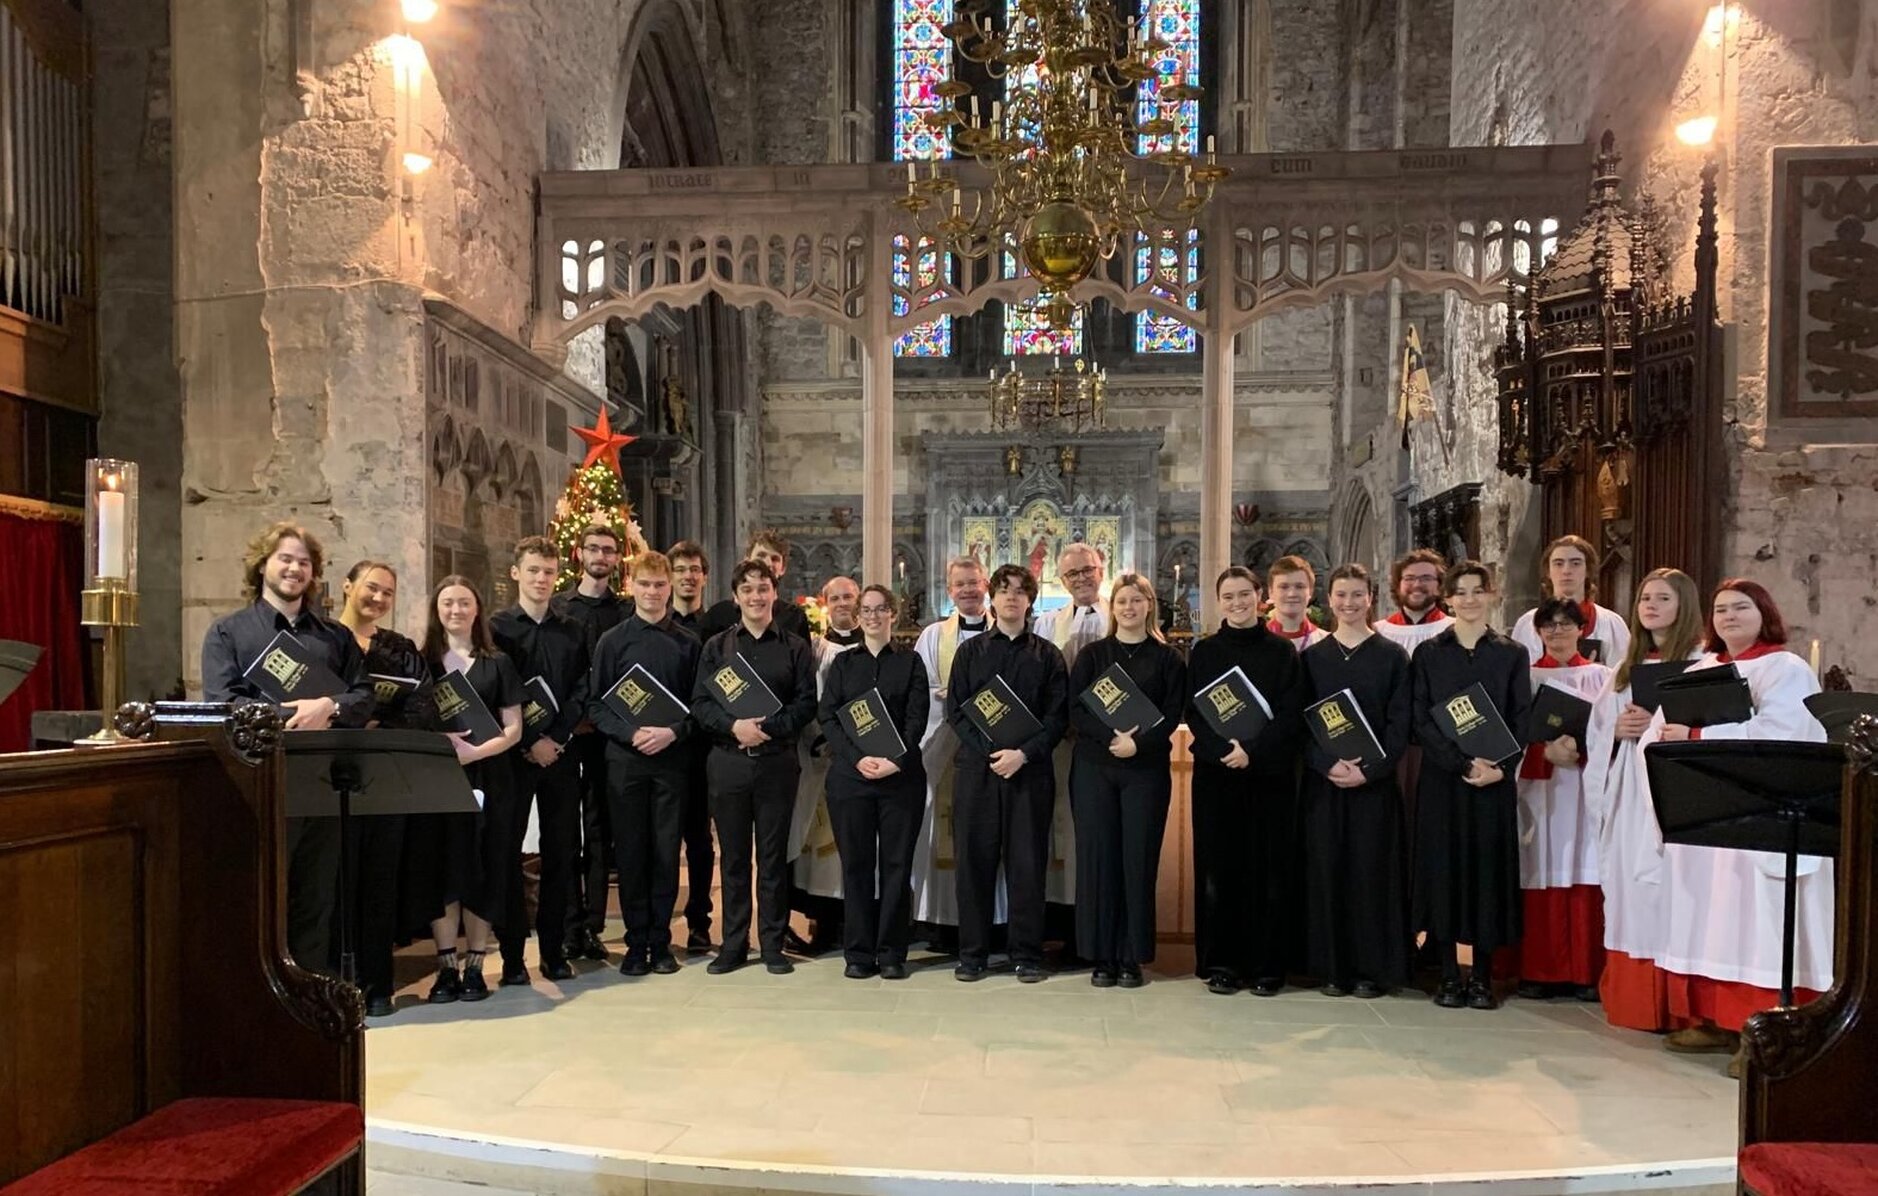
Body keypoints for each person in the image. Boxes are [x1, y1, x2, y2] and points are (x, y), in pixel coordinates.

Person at [1646, 579, 1829, 1077]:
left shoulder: (1785, 668)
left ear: (1764, 613)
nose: (1728, 617)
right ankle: (1711, 1019)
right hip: (1708, 816)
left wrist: (1700, 734)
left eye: (1740, 608)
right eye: (1720, 609)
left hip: (1760, 819)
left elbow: (1785, 731)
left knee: (1757, 928)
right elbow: (1663, 727)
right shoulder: (1704, 668)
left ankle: (1761, 1032)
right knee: (1709, 920)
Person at [200, 521, 373, 974]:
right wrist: (293, 715)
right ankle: (261, 997)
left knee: (316, 897)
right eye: (285, 558)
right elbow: (222, 703)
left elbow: (363, 696)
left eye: (304, 562)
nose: (294, 568)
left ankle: (311, 995)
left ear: (313, 573)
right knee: (261, 896)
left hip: (322, 782)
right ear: (263, 566)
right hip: (259, 781)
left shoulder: (334, 636)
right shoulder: (229, 633)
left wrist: (328, 706)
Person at [1582, 567, 1706, 1031]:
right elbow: (1599, 731)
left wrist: (1655, 725)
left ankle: (1681, 1008)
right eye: (1645, 599)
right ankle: (1636, 1002)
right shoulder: (1623, 669)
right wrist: (1616, 732)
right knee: (1630, 889)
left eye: (1663, 599)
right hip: (1630, 790)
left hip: (1672, 790)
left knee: (1674, 891)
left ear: (1685, 607)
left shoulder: (1702, 663)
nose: (1651, 606)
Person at [1410, 561, 1531, 1010]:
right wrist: (1460, 763)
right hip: (1444, 781)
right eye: (1460, 592)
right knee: (1442, 871)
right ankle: (1446, 973)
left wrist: (1501, 766)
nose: (1469, 599)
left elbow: (1522, 716)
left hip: (1493, 783)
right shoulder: (1429, 653)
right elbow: (1422, 717)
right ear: (1448, 599)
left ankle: (1480, 976)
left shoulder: (1511, 654)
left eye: (1477, 591)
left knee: (1485, 874)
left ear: (1491, 595)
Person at [1184, 566, 1308, 996]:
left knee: (1268, 870)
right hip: (1217, 776)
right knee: (1220, 869)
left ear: (1260, 597)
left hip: (1269, 775)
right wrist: (1224, 750)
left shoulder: (1281, 653)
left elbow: (1292, 713)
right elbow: (1194, 711)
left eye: (1244, 595)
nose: (1237, 603)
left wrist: (1251, 750)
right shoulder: (1204, 652)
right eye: (1228, 596)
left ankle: (1267, 965)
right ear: (1219, 602)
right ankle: (1222, 962)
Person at [691, 558, 817, 975]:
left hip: (777, 762)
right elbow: (701, 704)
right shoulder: (717, 648)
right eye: (748, 589)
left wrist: (766, 728)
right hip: (728, 762)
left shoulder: (796, 648)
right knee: (732, 857)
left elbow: (805, 703)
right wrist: (734, 727)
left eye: (763, 588)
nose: (756, 596)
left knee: (772, 856)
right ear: (736, 596)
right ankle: (733, 943)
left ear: (774, 594)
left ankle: (773, 943)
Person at [944, 564, 1069, 982]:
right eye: (1003, 590)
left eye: (1019, 591)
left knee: (1027, 865)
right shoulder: (970, 652)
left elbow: (1057, 718)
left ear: (1030, 599)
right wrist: (992, 751)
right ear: (992, 599)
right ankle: (973, 954)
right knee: (974, 864)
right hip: (978, 772)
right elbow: (956, 711)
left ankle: (1027, 954)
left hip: (1029, 774)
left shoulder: (1047, 656)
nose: (1011, 597)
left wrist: (1023, 754)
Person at [407, 575, 525, 1003]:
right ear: (437, 611)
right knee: (444, 867)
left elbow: (514, 728)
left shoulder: (498, 662)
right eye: (447, 603)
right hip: (438, 777)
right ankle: (446, 967)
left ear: (477, 610)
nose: (456, 610)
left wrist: (474, 755)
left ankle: (475, 964)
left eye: (464, 603)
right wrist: (446, 752)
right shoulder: (423, 662)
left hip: (490, 775)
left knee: (485, 865)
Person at [1065, 571, 1185, 988]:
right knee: (1099, 861)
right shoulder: (1094, 655)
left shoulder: (1167, 658)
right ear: (1111, 609)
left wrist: (1140, 745)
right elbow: (1075, 709)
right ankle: (1102, 956)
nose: (1129, 608)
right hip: (1095, 768)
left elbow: (1173, 711)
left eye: (1136, 600)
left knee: (1137, 861)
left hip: (1145, 771)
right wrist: (1109, 736)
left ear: (1149, 605)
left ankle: (1132, 956)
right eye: (1121, 602)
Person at [1299, 563, 1412, 998]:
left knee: (1370, 874)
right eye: (1341, 595)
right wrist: (1326, 763)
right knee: (1327, 871)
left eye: (1357, 595)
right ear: (1328, 600)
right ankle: (1332, 966)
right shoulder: (1312, 658)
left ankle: (1371, 969)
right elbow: (1300, 723)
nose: (1348, 603)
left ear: (1371, 598)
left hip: (1374, 786)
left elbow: (1399, 723)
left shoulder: (1391, 656)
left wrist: (1369, 770)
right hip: (1324, 783)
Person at [587, 550, 701, 976]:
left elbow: (700, 705)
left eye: (659, 584)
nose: (652, 592)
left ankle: (661, 941)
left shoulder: (688, 643)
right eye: (644, 584)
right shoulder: (612, 641)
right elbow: (597, 706)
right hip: (626, 761)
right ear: (630, 586)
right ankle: (636, 944)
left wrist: (672, 731)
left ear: (670, 587)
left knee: (667, 853)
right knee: (632, 852)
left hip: (672, 761)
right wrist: (631, 733)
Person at [489, 537, 589, 985]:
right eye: (533, 571)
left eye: (549, 572)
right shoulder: (496, 629)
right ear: (516, 574)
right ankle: (512, 956)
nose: (541, 579)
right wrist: (528, 739)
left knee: (561, 853)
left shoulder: (572, 630)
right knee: (507, 852)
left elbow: (582, 688)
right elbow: (492, 690)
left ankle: (554, 950)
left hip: (560, 757)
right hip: (511, 756)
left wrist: (557, 736)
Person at [336, 558, 433, 1017]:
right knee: (334, 883)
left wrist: (375, 720)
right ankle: (334, 982)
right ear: (347, 587)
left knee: (379, 883)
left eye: (387, 593)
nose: (378, 599)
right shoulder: (322, 640)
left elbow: (422, 706)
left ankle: (377, 984)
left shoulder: (400, 648)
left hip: (385, 779)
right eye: (371, 589)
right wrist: (357, 716)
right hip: (330, 779)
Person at [817, 584, 930, 979]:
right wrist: (858, 758)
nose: (873, 616)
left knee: (897, 866)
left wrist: (895, 760)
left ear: (892, 616)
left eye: (881, 609)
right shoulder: (844, 665)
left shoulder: (911, 662)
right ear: (858, 616)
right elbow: (828, 717)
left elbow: (917, 719)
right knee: (857, 867)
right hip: (852, 779)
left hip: (901, 780)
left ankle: (893, 952)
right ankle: (859, 953)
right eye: (866, 609)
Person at [1515, 597, 1612, 1001]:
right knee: (1541, 866)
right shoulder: (1524, 677)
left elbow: (1614, 732)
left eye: (1565, 624)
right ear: (1538, 632)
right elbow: (1511, 736)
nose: (1557, 632)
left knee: (1586, 867)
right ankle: (1540, 971)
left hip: (1587, 787)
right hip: (1540, 789)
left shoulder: (1605, 678)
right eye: (1548, 625)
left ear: (1582, 629)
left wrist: (1584, 750)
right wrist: (1542, 754)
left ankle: (1586, 972)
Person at [550, 524, 630, 964]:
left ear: (618, 559)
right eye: (594, 548)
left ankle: (593, 925)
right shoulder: (561, 606)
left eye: (609, 550)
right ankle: (566, 922)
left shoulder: (625, 610)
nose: (601, 556)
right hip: (566, 732)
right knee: (565, 830)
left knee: (600, 831)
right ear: (580, 554)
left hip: (608, 735)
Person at [911, 557, 998, 931]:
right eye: (959, 584)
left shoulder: (1008, 631)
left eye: (974, 582)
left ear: (986, 585)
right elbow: (919, 690)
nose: (967, 590)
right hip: (945, 746)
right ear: (949, 590)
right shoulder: (933, 636)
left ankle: (993, 920)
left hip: (993, 746)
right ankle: (939, 920)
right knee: (940, 829)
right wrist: (949, 697)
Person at [1032, 542, 1110, 924]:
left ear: (1102, 568)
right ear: (1061, 580)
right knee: (1060, 829)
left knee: (1097, 835)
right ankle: (1062, 921)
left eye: (1087, 570)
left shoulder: (1123, 612)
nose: (1081, 579)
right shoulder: (1047, 624)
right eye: (1072, 574)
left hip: (1111, 745)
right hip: (1061, 742)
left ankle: (1095, 920)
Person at [788, 574, 862, 954]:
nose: (843, 603)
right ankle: (823, 923)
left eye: (849, 596)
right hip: (819, 759)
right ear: (824, 602)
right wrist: (821, 738)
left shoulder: (872, 646)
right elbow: (804, 697)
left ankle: (858, 924)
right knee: (821, 848)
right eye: (836, 598)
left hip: (859, 760)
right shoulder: (813, 649)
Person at [667, 539, 716, 953]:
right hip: (664, 750)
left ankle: (699, 921)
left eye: (694, 569)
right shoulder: (654, 626)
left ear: (705, 575)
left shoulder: (716, 625)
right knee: (664, 841)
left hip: (704, 748)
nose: (687, 576)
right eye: (680, 569)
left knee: (700, 841)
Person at [1511, 535, 1631, 666]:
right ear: (1548, 572)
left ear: (1588, 570)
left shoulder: (1612, 624)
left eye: (1575, 563)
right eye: (1558, 563)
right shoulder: (1526, 624)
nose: (1566, 571)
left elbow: (1623, 678)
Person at [697, 529, 812, 642]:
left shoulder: (795, 618)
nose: (767, 563)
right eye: (761, 556)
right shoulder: (719, 615)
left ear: (783, 568)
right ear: (747, 560)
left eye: (775, 559)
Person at [1375, 549, 1450, 657]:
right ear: (1398, 586)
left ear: (1439, 586)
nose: (1417, 585)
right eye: (1409, 578)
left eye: (1426, 578)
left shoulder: (1452, 630)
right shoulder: (1380, 632)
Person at [1267, 555, 1328, 650]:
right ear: (1271, 592)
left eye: (1299, 587)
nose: (1291, 594)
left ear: (1310, 592)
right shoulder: (1252, 641)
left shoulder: (1326, 642)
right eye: (1284, 587)